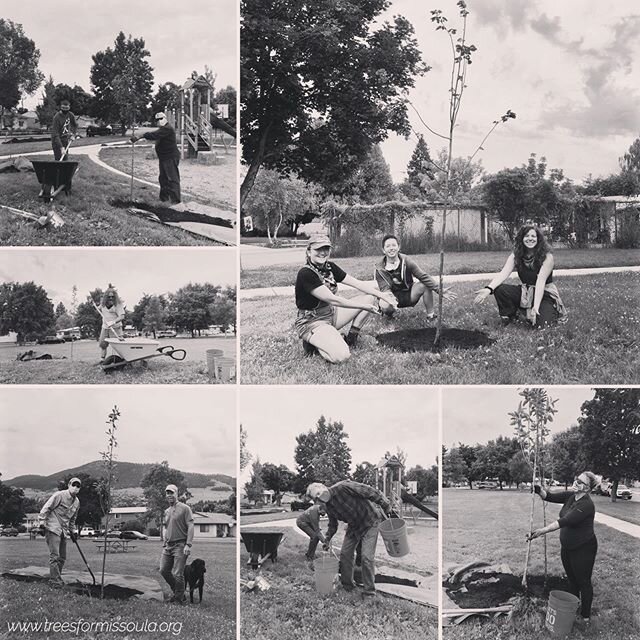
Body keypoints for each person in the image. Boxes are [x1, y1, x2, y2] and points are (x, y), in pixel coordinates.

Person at [295, 234, 398, 363]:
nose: (323, 253)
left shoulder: (329, 267)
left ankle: (351, 338)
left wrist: (382, 295)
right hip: (313, 322)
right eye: (318, 249)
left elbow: (357, 283)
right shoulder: (305, 273)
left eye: (326, 249)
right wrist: (363, 307)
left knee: (370, 298)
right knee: (341, 356)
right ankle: (314, 344)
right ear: (309, 251)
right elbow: (333, 299)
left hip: (331, 314)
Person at [527, 471, 600, 623]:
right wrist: (539, 490)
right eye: (576, 478)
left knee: (583, 581)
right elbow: (550, 496)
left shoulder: (586, 504)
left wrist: (541, 531)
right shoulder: (571, 496)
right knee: (572, 580)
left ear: (587, 489)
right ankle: (573, 607)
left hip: (583, 548)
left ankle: (585, 616)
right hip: (567, 547)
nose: (576, 482)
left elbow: (565, 521)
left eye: (580, 482)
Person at [306, 480, 391, 597]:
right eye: (316, 499)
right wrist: (327, 539)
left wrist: (384, 503)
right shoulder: (327, 506)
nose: (319, 501)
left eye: (318, 495)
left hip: (370, 520)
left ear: (323, 488)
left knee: (366, 557)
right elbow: (333, 525)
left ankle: (369, 592)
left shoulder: (343, 487)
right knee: (345, 554)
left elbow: (368, 491)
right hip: (354, 526)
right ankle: (348, 586)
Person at [474, 225, 567, 327]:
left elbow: (540, 282)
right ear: (522, 239)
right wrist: (489, 289)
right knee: (500, 289)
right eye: (526, 236)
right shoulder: (516, 255)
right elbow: (503, 273)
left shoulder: (547, 257)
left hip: (545, 293)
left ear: (538, 239)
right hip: (526, 292)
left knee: (542, 325)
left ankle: (544, 310)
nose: (530, 239)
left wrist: (536, 307)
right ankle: (511, 315)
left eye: (533, 236)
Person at [374, 234, 457, 319]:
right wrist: (392, 302)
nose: (391, 248)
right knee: (384, 302)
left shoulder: (405, 260)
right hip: (392, 296)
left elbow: (422, 276)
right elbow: (385, 290)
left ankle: (431, 316)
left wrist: (439, 290)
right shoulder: (379, 268)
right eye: (388, 246)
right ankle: (389, 315)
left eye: (394, 245)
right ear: (383, 250)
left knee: (425, 284)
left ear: (398, 247)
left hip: (409, 294)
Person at [130, 112, 184, 210]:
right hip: (164, 158)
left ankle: (176, 201)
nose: (159, 121)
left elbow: (154, 135)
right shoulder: (163, 129)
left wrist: (140, 136)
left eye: (161, 119)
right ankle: (164, 199)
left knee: (172, 179)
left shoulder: (167, 129)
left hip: (170, 157)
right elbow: (155, 135)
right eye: (157, 120)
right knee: (163, 178)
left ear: (165, 118)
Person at [38, 477, 81, 586]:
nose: (75, 488)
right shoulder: (59, 495)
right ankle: (54, 581)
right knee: (55, 556)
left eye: (78, 486)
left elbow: (72, 519)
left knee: (62, 557)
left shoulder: (76, 502)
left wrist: (73, 532)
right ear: (69, 485)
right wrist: (42, 523)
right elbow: (46, 508)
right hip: (52, 527)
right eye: (73, 485)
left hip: (63, 530)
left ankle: (57, 578)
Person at [160, 484, 195, 605]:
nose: (169, 495)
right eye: (167, 493)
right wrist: (165, 542)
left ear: (177, 494)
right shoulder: (166, 511)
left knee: (178, 573)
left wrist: (188, 544)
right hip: (168, 545)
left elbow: (190, 525)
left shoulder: (185, 508)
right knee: (164, 570)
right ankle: (178, 592)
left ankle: (178, 599)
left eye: (172, 493)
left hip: (181, 545)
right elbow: (167, 527)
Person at [98, 285, 125, 361]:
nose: (111, 298)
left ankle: (125, 359)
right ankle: (102, 360)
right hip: (105, 327)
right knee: (103, 345)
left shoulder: (118, 305)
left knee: (119, 346)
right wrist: (92, 303)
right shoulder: (103, 304)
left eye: (112, 297)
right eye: (109, 297)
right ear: (106, 297)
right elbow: (99, 309)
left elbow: (122, 316)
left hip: (116, 328)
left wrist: (113, 322)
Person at [296, 502, 327, 567]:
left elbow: (317, 526)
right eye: (324, 512)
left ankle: (310, 554)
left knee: (316, 537)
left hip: (308, 521)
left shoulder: (318, 507)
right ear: (320, 510)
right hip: (302, 522)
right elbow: (317, 531)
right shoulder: (314, 515)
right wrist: (324, 542)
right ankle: (310, 556)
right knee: (315, 536)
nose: (324, 514)